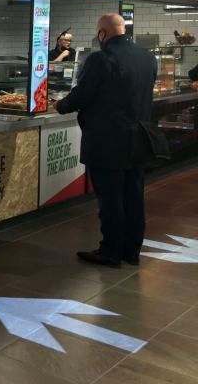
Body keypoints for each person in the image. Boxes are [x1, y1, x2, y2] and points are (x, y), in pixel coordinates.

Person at [54, 14, 157, 267]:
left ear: (102, 34)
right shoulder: (147, 58)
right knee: (133, 196)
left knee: (110, 199)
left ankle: (110, 251)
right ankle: (131, 251)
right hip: (139, 138)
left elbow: (82, 95)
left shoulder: (100, 58)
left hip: (107, 141)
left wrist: (61, 105)